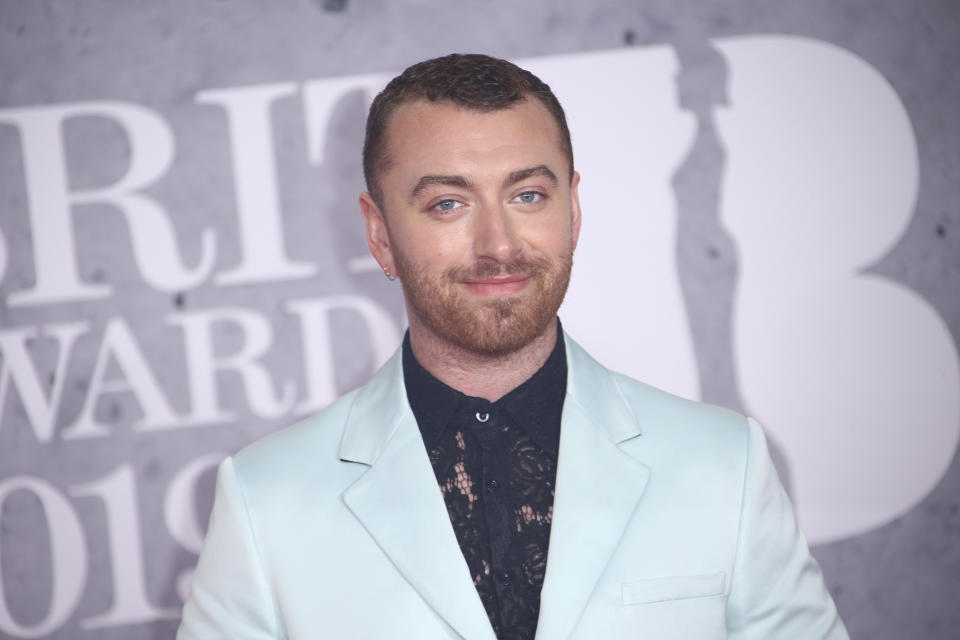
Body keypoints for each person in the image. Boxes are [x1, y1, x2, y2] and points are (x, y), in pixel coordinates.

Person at [177, 53, 848, 640]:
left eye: (528, 195)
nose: (498, 245)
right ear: (379, 234)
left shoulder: (723, 465)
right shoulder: (266, 500)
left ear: (573, 212)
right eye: (448, 204)